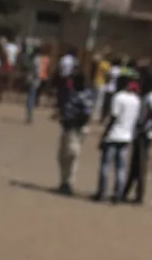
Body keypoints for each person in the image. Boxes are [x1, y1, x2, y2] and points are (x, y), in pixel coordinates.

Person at [91, 78, 141, 202]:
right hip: (126, 136)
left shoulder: (119, 98)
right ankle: (118, 194)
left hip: (113, 135)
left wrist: (104, 135)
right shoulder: (136, 100)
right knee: (121, 168)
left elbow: (113, 117)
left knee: (106, 166)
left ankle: (102, 192)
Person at [54, 63, 93, 195]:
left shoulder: (85, 95)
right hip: (67, 127)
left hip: (76, 129)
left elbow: (86, 115)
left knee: (72, 155)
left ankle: (69, 183)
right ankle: (64, 181)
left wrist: (73, 123)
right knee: (62, 157)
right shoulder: (72, 92)